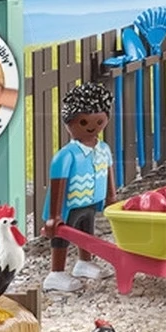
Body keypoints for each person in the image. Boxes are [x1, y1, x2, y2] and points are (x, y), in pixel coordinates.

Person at [41, 83, 116, 293]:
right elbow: (58, 184)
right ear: (69, 122)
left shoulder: (103, 149)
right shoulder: (66, 155)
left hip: (91, 201)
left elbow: (108, 173)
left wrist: (111, 197)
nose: (92, 127)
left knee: (87, 231)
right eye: (83, 122)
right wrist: (54, 216)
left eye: (99, 121)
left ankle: (84, 262)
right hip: (69, 206)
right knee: (62, 237)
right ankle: (56, 273)